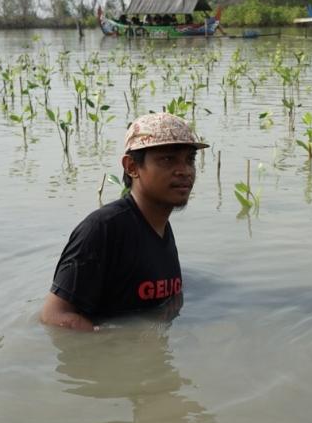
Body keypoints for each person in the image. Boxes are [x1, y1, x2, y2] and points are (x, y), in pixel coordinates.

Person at [41, 113, 209, 331]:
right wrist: (118, 349)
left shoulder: (160, 226)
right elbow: (54, 315)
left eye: (190, 160)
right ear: (131, 167)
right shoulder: (103, 229)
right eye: (167, 159)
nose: (184, 171)